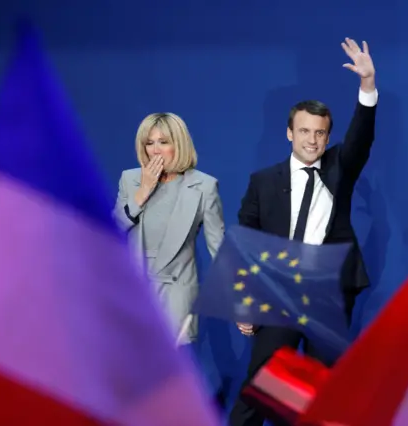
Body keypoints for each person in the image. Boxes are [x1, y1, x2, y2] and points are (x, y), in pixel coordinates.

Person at [229, 38, 378, 426]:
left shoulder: (338, 168)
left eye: (321, 133)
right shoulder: (263, 181)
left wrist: (367, 87)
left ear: (328, 137)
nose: (313, 139)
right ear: (289, 134)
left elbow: (360, 141)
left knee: (323, 387)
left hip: (327, 292)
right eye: (305, 131)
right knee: (260, 383)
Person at [113, 112, 225, 345]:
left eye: (163, 142)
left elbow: (220, 250)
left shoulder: (204, 186)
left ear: (179, 144)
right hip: (135, 292)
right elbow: (113, 230)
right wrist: (141, 194)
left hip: (177, 295)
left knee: (169, 376)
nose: (155, 150)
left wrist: (240, 305)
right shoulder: (129, 180)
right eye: (149, 143)